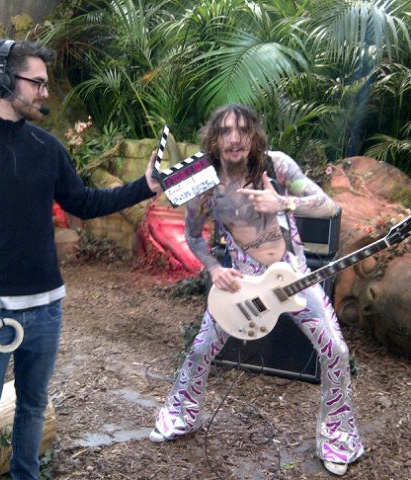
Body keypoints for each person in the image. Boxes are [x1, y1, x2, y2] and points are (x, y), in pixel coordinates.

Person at [0, 39, 161, 480]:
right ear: (3, 78)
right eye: (37, 83)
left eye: (45, 84)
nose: (45, 93)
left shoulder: (46, 146)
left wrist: (144, 186)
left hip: (46, 309)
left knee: (34, 407)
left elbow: (84, 202)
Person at [148, 104, 364, 476]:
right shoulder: (205, 185)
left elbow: (328, 207)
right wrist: (215, 268)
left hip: (294, 276)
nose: (235, 139)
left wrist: (284, 202)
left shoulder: (277, 166)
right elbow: (193, 237)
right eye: (226, 131)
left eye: (243, 130)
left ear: (253, 135)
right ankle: (181, 415)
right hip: (241, 282)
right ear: (214, 138)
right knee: (200, 349)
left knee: (336, 351)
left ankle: (338, 439)